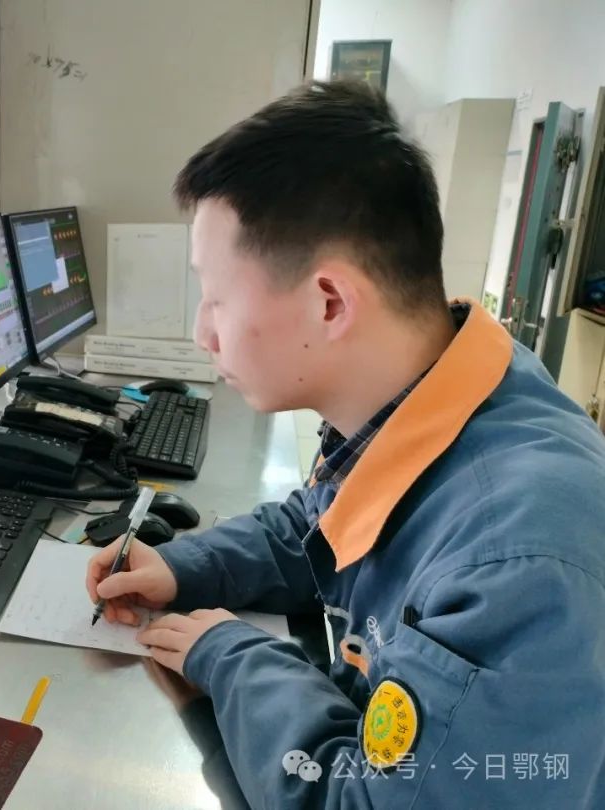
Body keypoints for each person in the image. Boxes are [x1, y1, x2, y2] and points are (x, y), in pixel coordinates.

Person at [86, 80, 605, 807]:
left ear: (329, 302)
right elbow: (321, 526)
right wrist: (180, 567)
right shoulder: (435, 389)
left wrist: (230, 656)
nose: (203, 333)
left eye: (216, 298)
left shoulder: (518, 567)